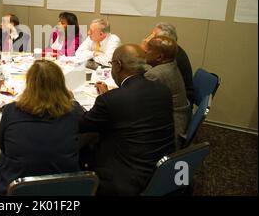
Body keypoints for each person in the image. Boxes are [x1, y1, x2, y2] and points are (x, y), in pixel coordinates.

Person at [79, 44, 175, 195]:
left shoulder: (112, 100)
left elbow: (82, 124)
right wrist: (108, 98)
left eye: (111, 64)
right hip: (163, 170)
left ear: (118, 66)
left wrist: (70, 102)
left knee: (84, 140)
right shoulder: (162, 90)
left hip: (126, 179)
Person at [0, 60, 82, 196]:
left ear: (29, 84)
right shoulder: (73, 111)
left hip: (16, 184)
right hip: (64, 186)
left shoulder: (10, 110)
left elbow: (3, 146)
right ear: (61, 85)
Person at [144, 36, 192, 148]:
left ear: (159, 56)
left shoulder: (155, 75)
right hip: (181, 119)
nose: (145, 51)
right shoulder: (171, 64)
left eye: (148, 49)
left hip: (170, 132)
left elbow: (137, 102)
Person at [141, 22, 194, 104]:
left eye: (153, 38)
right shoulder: (172, 52)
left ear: (164, 42)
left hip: (174, 107)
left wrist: (143, 51)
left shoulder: (174, 59)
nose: (148, 40)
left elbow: (147, 75)